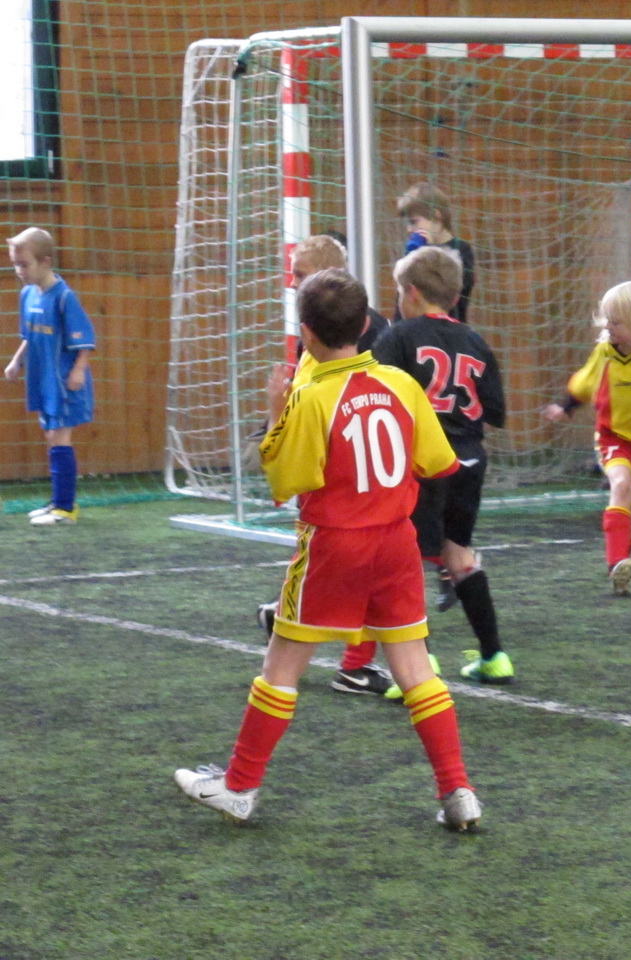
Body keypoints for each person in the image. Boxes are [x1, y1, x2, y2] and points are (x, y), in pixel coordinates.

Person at [175, 268, 482, 830]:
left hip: (335, 544)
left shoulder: (311, 396)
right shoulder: (400, 384)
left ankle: (239, 787)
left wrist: (276, 413)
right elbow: (438, 463)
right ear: (365, 326)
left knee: (281, 666)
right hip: (396, 543)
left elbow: (286, 480)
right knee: (416, 671)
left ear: (305, 333)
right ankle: (457, 790)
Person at [253, 234, 399, 701]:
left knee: (359, 567)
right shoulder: (322, 329)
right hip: (338, 467)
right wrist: (277, 424)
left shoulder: (366, 331)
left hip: (364, 464)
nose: (291, 283)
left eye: (299, 274)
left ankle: (306, 632)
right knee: (359, 567)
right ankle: (352, 663)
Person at [374, 246, 512, 685]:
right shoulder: (475, 341)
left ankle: (421, 666)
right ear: (454, 297)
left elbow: (379, 398)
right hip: (469, 461)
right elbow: (495, 411)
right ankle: (494, 656)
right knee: (458, 554)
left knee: (404, 559)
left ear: (412, 292)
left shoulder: (398, 337)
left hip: (422, 463)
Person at [544, 280, 631, 595]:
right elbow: (584, 383)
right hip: (613, 438)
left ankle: (626, 543)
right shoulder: (605, 352)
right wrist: (565, 407)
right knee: (620, 485)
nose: (608, 327)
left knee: (630, 517)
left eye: (616, 322)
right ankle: (616, 564)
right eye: (607, 320)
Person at [4, 228, 95, 526]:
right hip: (42, 381)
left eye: (24, 264)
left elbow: (85, 339)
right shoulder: (27, 294)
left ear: (45, 261)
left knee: (59, 436)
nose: (19, 271)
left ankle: (66, 508)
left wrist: (79, 370)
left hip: (64, 382)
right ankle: (58, 501)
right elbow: (29, 336)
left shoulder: (64, 297)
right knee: (51, 435)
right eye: (15, 264)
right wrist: (16, 361)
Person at [396, 182, 475, 324]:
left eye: (414, 222)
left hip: (448, 328)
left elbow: (453, 290)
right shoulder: (416, 250)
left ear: (436, 216)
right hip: (414, 328)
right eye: (408, 223)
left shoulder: (461, 250)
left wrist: (428, 253)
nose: (409, 229)